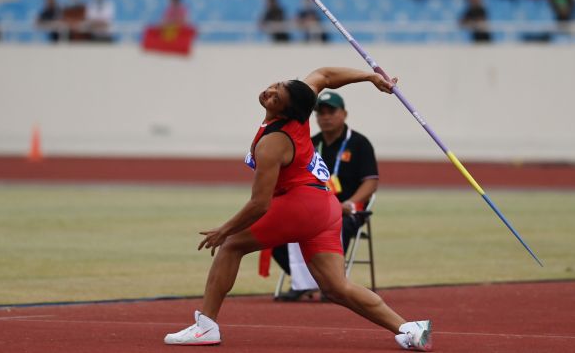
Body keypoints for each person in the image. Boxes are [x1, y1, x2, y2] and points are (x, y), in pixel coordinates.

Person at [163, 67, 432, 351]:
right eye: (275, 86)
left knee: (231, 245)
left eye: (276, 98)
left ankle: (206, 326)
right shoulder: (301, 98)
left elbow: (259, 204)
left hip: (301, 205)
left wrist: (225, 230)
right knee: (335, 288)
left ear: (286, 111)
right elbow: (325, 75)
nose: (269, 93)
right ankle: (410, 329)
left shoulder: (272, 144)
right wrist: (370, 77)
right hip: (325, 207)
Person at [272, 90, 379, 301]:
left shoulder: (359, 144)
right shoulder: (309, 144)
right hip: (312, 208)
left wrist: (350, 203)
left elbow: (371, 182)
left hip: (348, 210)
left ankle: (332, 285)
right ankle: (307, 284)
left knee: (338, 226)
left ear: (344, 114)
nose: (326, 117)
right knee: (275, 235)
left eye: (331, 111)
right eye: (320, 113)